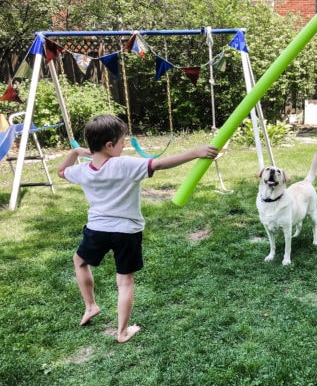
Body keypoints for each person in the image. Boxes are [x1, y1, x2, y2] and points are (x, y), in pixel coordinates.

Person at [57, 115, 218, 343]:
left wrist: (75, 153)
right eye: (122, 142)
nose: (124, 146)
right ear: (110, 145)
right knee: (124, 281)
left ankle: (91, 306)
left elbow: (61, 172)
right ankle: (122, 332)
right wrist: (196, 152)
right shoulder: (123, 164)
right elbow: (159, 164)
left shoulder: (82, 171)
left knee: (79, 262)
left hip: (97, 230)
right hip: (127, 232)